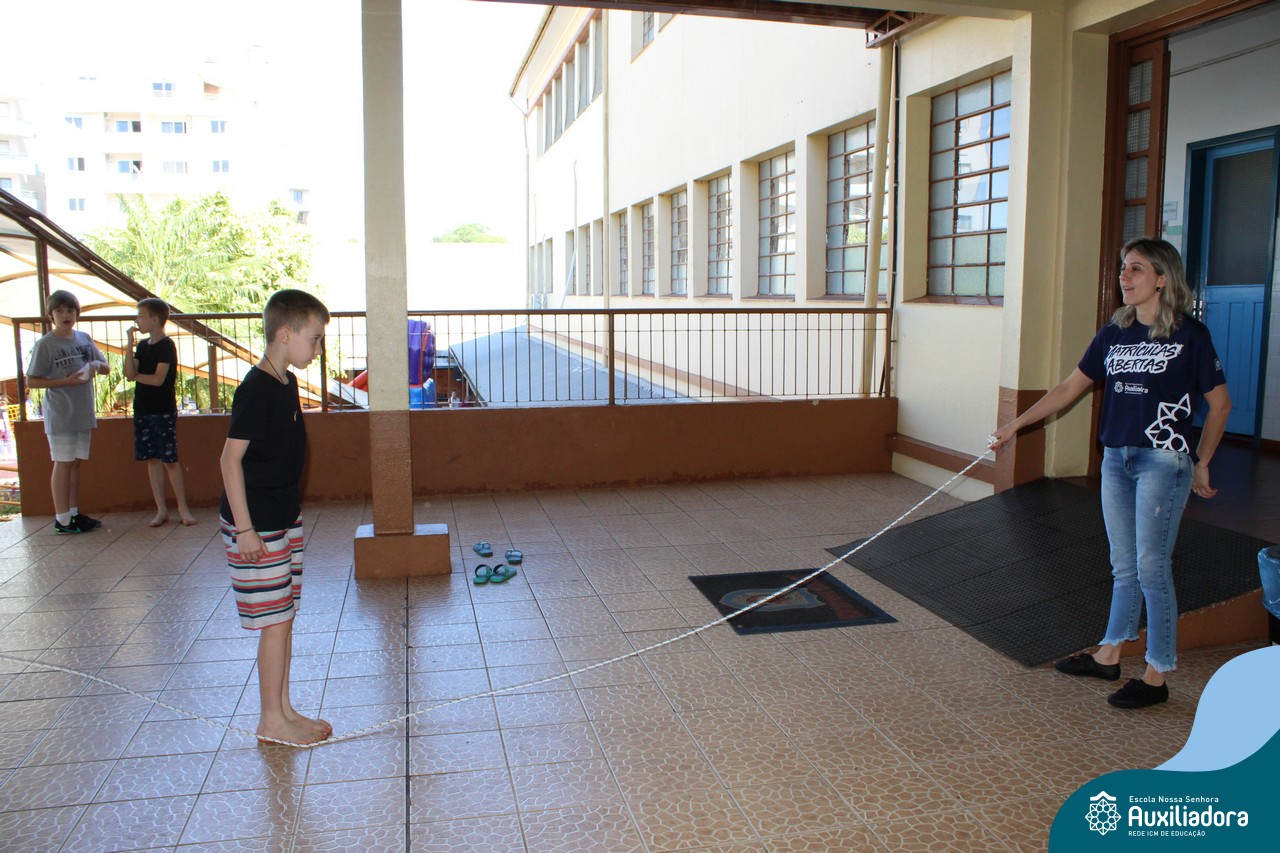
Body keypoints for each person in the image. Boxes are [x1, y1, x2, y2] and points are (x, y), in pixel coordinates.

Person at [990, 238, 1231, 709]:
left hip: (1163, 461)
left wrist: (1201, 461)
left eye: (1136, 268)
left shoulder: (1190, 336)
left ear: (1162, 278)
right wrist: (1016, 424)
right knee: (1123, 564)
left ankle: (1157, 674)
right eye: (1123, 267)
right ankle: (1108, 655)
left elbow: (1219, 405)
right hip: (1117, 460)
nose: (1125, 276)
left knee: (1151, 568)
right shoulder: (1115, 332)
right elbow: (1069, 387)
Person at [219, 289, 333, 745]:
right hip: (257, 523)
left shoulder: (285, 383)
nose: (318, 349)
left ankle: (284, 709)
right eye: (315, 338)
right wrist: (245, 530)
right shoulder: (256, 389)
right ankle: (270, 720)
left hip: (282, 517)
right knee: (274, 621)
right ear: (285, 334)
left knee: (284, 616)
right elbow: (229, 461)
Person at [26, 290, 110, 534]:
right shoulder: (46, 344)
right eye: (60, 310)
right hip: (61, 412)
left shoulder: (84, 338)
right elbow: (32, 380)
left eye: (70, 310)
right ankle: (62, 519)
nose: (66, 315)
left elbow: (105, 367)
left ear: (76, 313)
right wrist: (67, 381)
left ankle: (73, 513)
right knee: (62, 463)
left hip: (82, 412)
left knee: (75, 463)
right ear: (51, 314)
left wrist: (96, 366)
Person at [125, 298, 197, 527]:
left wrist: (137, 377)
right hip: (142, 409)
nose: (138, 320)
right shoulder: (142, 346)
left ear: (154, 319)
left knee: (170, 460)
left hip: (162, 410)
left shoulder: (167, 346)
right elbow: (129, 372)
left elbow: (158, 379)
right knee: (152, 460)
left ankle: (183, 508)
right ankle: (161, 509)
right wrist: (129, 344)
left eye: (141, 316)